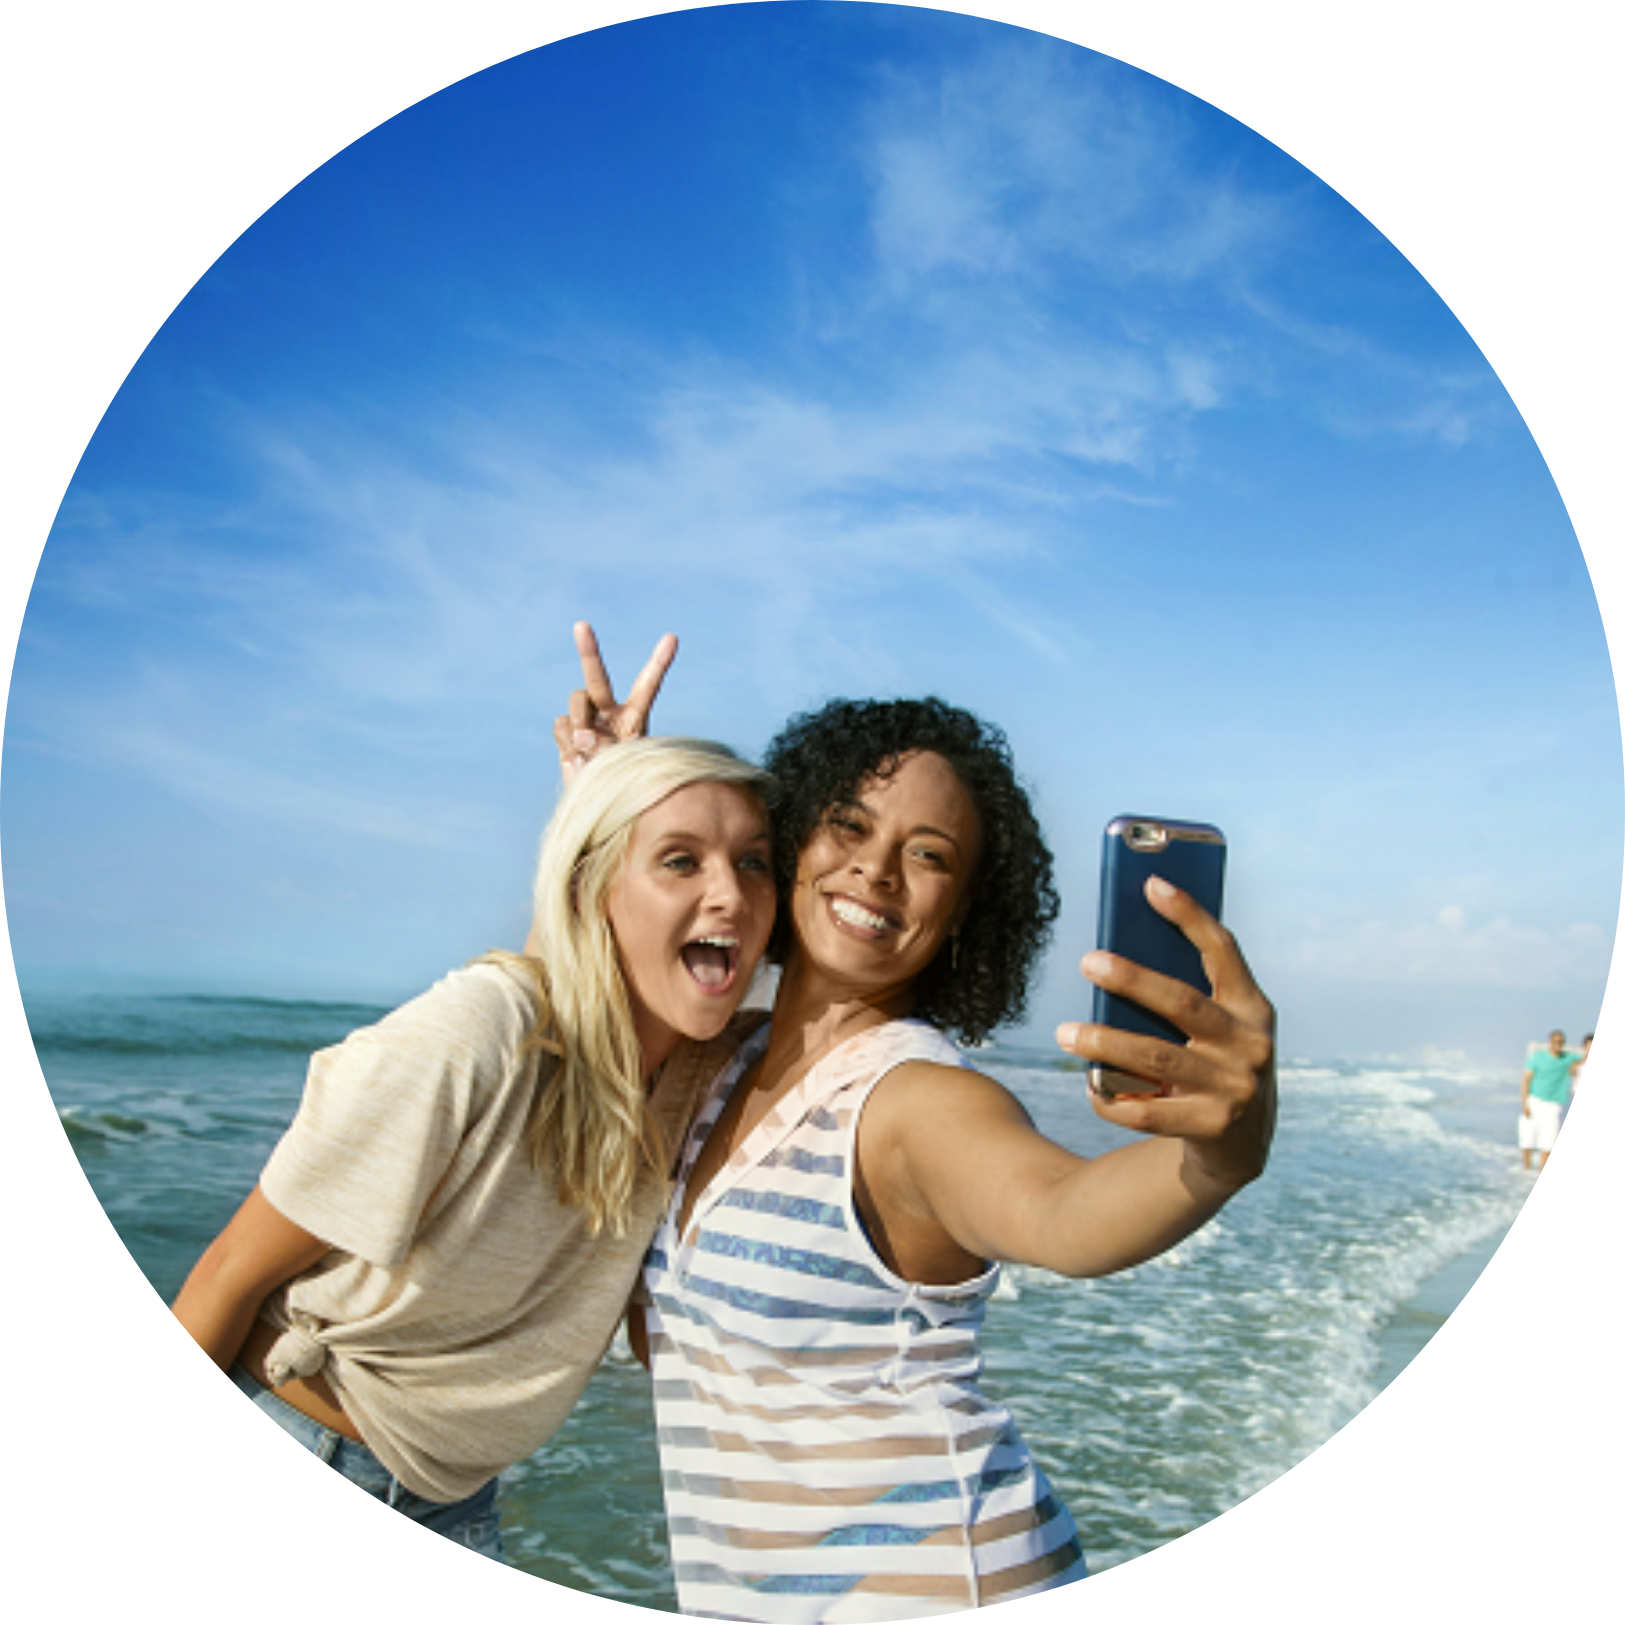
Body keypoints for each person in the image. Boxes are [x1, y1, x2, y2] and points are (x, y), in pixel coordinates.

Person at [555, 626, 1275, 1618]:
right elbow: (581, 1010)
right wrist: (608, 804)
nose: (876, 869)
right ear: (791, 841)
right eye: (846, 826)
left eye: (927, 854)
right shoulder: (715, 1064)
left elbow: (1060, 1210)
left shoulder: (914, 1099)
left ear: (966, 911)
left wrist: (1222, 1152)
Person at [170, 731, 777, 1560]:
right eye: (680, 860)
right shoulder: (476, 1033)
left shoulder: (713, 1069)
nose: (731, 894)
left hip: (458, 1499)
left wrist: (600, 791)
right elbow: (228, 1272)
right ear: (593, 884)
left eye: (754, 862)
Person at [1519, 1029, 1582, 1172]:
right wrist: (1524, 1104)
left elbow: (1583, 1057)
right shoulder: (1537, 1057)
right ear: (1550, 1042)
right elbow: (1525, 1080)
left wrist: (1574, 1066)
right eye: (1555, 1041)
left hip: (1554, 1105)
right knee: (1527, 1139)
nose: (1558, 1044)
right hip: (1534, 1101)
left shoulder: (1567, 1058)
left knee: (1548, 1143)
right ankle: (1526, 1170)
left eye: (1561, 1042)